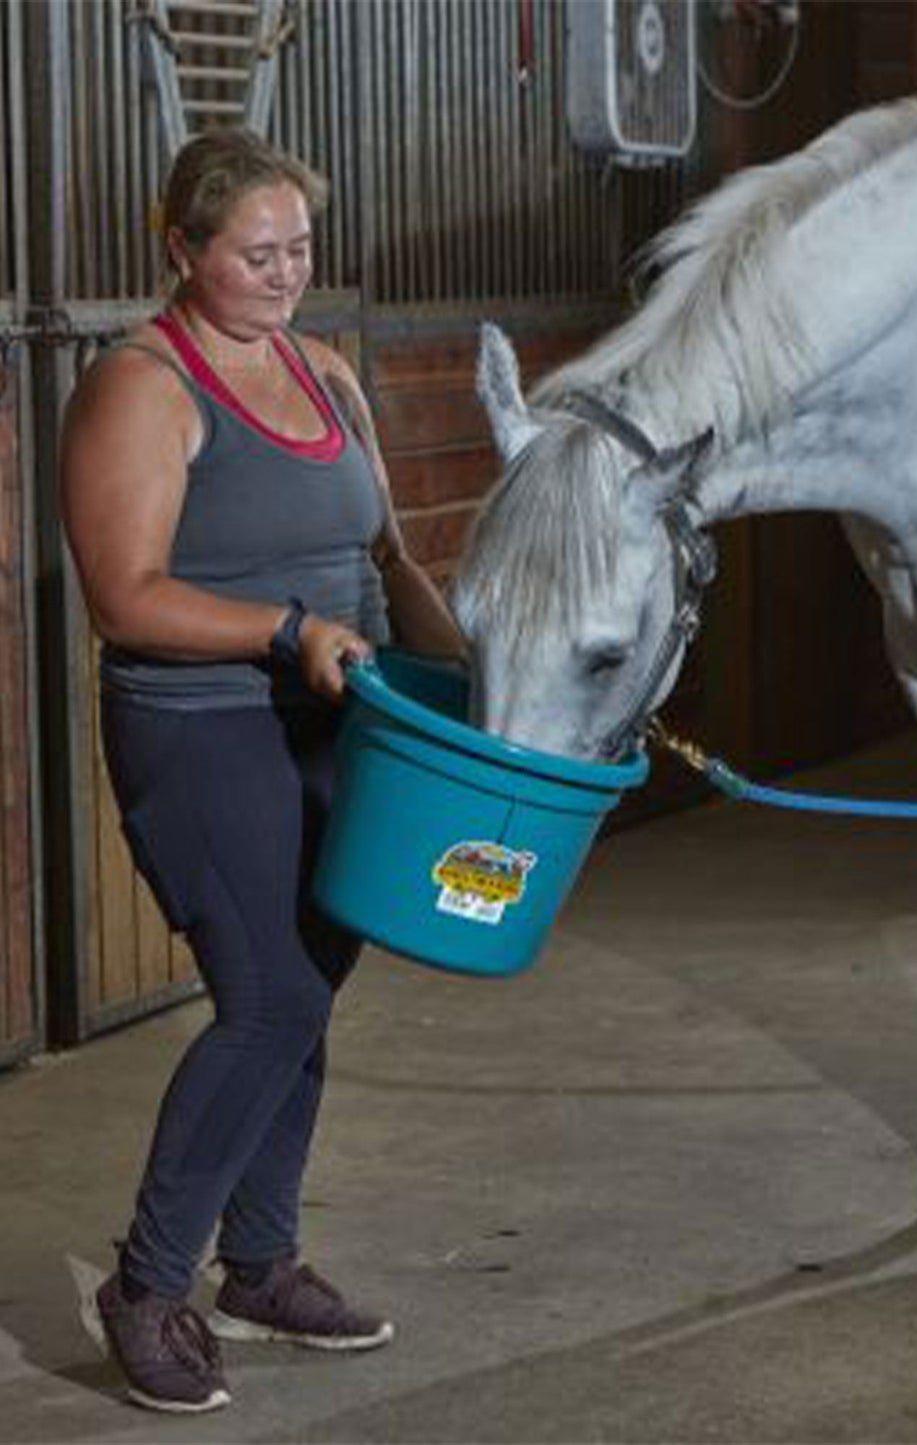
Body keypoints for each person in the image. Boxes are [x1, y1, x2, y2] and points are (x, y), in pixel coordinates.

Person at [61, 127, 465, 1414]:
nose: (284, 272)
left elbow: (389, 559)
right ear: (179, 248)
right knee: (271, 996)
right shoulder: (141, 385)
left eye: (297, 247)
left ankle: (262, 1260)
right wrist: (284, 633)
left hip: (340, 719)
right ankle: (147, 1282)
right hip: (204, 722)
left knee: (311, 986)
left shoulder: (327, 371)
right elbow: (125, 597)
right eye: (254, 252)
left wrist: (478, 691)